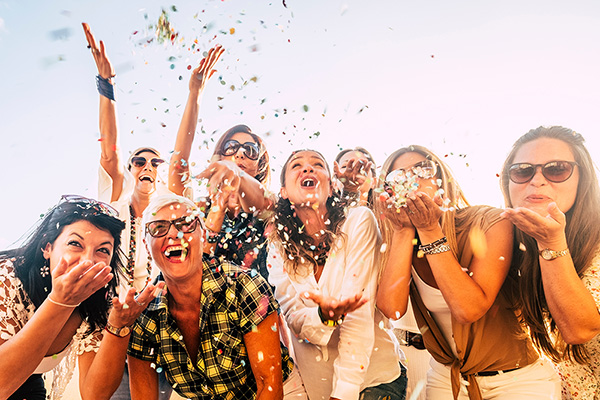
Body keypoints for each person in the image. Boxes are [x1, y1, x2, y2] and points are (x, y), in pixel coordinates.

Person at [375, 145, 560, 399]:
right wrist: (403, 231)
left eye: (421, 170)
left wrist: (430, 230)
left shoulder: (490, 221)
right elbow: (391, 309)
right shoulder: (404, 237)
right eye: (398, 177)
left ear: (441, 179)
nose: (411, 180)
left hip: (515, 379)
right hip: (446, 376)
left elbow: (468, 309)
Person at [124, 193, 305, 399]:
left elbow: (268, 384)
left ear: (202, 236)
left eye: (186, 224)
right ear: (147, 247)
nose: (174, 233)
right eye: (158, 228)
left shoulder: (244, 285)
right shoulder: (144, 314)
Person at [268, 149, 406, 400]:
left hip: (374, 381)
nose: (307, 169)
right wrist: (323, 317)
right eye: (296, 165)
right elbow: (293, 318)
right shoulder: (277, 248)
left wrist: (344, 392)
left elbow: (359, 317)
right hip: (316, 387)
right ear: (284, 192)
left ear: (331, 187)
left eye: (317, 164)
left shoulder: (358, 222)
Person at [0, 195, 161, 400]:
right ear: (47, 247)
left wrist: (119, 327)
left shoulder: (100, 301)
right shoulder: (7, 277)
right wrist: (61, 301)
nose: (88, 261)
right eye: (75, 243)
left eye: (102, 250)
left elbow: (94, 394)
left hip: (28, 383)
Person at [500, 126, 600, 399]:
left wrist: (551, 243)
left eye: (556, 169)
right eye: (522, 170)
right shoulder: (508, 241)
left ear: (583, 179)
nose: (537, 180)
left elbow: (580, 329)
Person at [334, 146, 430, 400]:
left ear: (377, 179)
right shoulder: (328, 225)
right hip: (352, 366)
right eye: (347, 166)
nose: (356, 171)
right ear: (334, 175)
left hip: (414, 357)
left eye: (365, 166)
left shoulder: (393, 221)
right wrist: (349, 193)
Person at [168, 50, 274, 281]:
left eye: (250, 150)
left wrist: (236, 176)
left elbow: (261, 200)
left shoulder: (269, 210)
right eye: (232, 147)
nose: (240, 154)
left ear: (260, 166)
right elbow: (178, 166)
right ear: (219, 158)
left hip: (258, 312)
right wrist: (195, 94)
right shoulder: (198, 210)